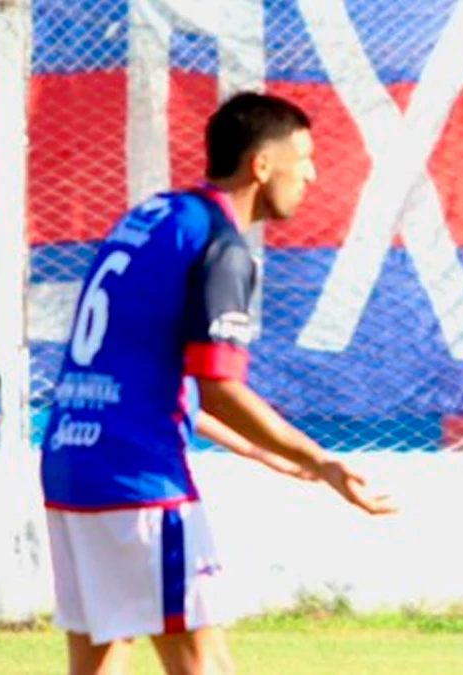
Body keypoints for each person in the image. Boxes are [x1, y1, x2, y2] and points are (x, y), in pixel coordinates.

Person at [40, 92, 394, 675]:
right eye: (302, 158)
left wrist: (263, 453)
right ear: (260, 165)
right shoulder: (220, 246)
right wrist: (323, 462)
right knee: (201, 661)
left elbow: (156, 379)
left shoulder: (152, 216)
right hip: (141, 479)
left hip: (72, 461)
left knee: (100, 661)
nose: (312, 173)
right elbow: (220, 388)